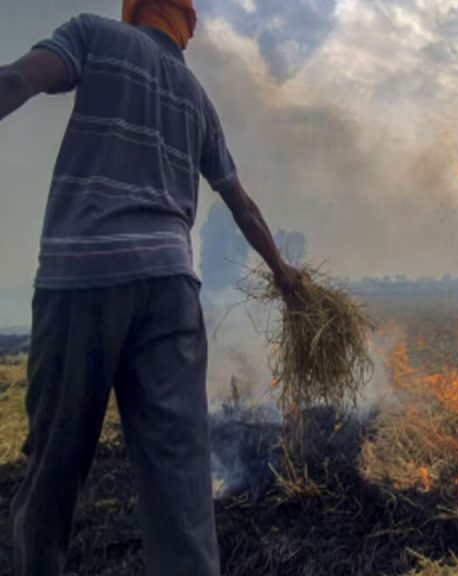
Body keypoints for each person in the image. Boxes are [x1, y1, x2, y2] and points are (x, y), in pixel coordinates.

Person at [0, 2, 302, 574]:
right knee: (182, 497)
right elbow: (244, 206)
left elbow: (18, 79)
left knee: (53, 475)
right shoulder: (196, 98)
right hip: (170, 291)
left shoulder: (94, 36)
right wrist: (285, 276)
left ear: (133, 10)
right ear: (185, 29)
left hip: (84, 280)